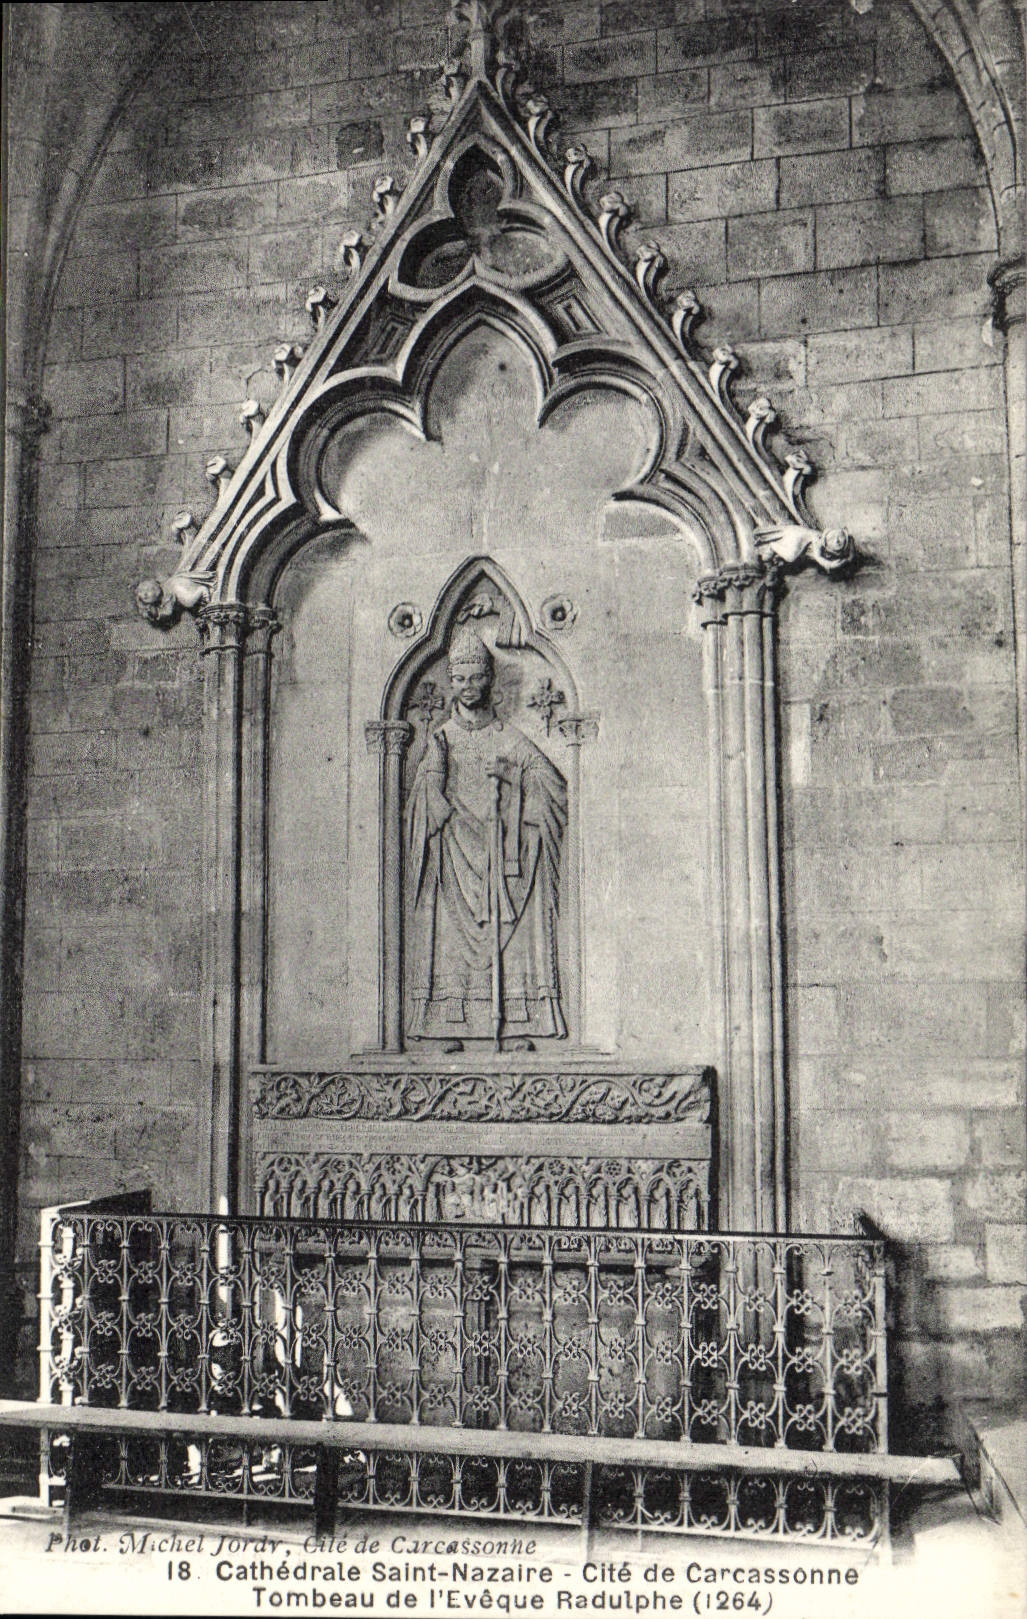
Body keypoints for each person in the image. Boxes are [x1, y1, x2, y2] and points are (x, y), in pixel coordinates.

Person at [406, 626, 567, 1050]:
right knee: (449, 937)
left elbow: (549, 783)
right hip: (457, 855)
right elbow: (425, 799)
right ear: (450, 681)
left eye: (476, 677)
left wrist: (516, 781)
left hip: (504, 852)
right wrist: (432, 782)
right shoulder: (442, 739)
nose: (467, 686)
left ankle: (516, 1024)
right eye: (459, 678)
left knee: (516, 932)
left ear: (490, 681)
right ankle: (451, 1028)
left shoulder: (508, 737)